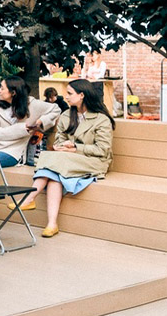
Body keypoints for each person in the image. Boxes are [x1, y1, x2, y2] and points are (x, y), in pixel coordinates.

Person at [30, 80, 115, 237]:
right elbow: (59, 140)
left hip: (94, 160)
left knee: (55, 162)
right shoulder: (67, 115)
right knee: (55, 177)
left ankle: (30, 197)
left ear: (82, 95)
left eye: (69, 93)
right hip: (68, 159)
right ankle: (52, 224)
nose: (65, 96)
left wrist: (75, 148)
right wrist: (62, 147)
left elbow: (102, 150)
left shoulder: (101, 119)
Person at [0, 77, 60, 195]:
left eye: (2, 88)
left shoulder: (32, 104)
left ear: (13, 92)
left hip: (13, 151)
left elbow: (55, 109)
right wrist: (21, 129)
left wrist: (40, 121)